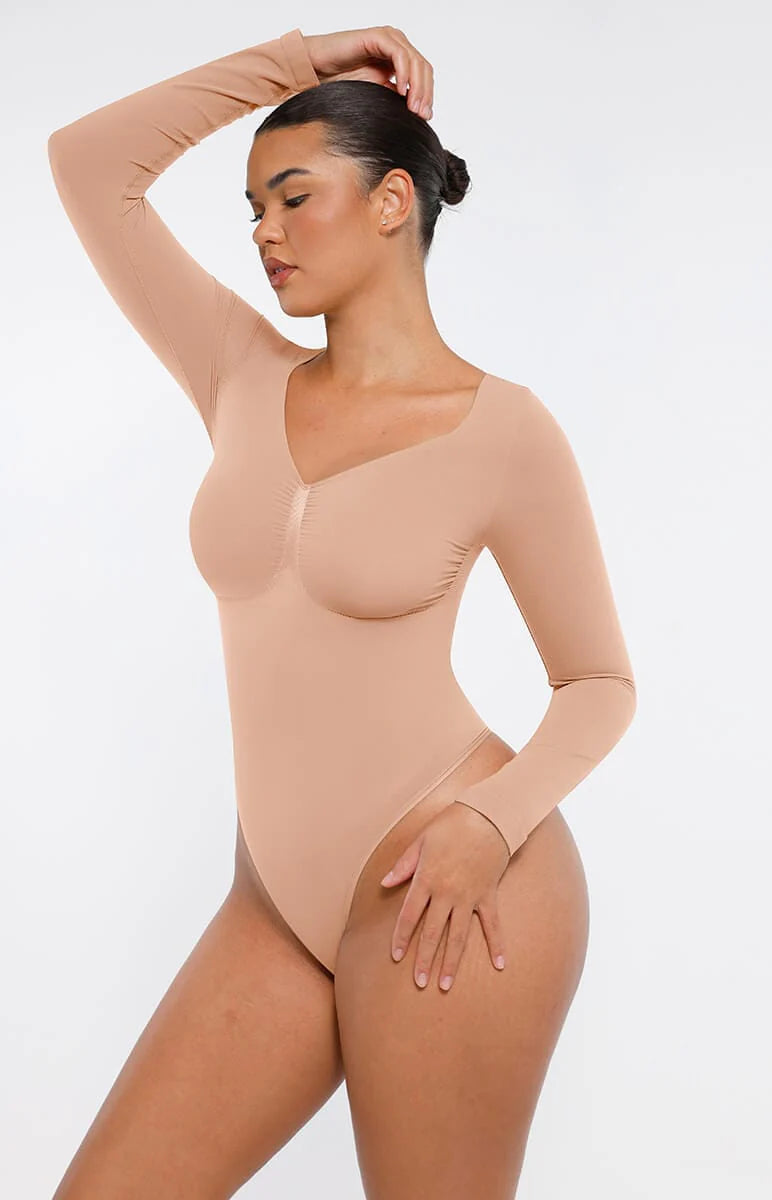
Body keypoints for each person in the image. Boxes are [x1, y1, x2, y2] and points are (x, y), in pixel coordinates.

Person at [46, 24, 637, 1199]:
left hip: (450, 880)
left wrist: (491, 824)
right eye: (252, 208)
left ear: (391, 201)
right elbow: (88, 163)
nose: (263, 232)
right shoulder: (239, 372)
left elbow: (599, 685)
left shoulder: (505, 431)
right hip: (272, 903)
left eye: (294, 196)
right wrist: (301, 62)